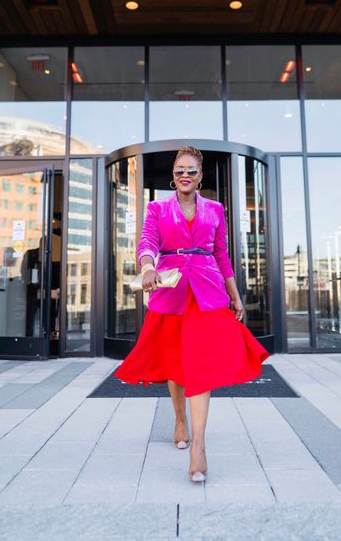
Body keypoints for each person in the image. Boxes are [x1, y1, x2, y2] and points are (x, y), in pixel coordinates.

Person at [113, 147, 270, 483]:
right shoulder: (157, 209)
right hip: (170, 290)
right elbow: (146, 243)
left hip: (208, 292)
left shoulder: (215, 210)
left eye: (192, 171)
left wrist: (235, 294)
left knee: (200, 365)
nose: (186, 176)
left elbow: (222, 255)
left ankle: (198, 445)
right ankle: (180, 419)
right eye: (180, 170)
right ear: (174, 175)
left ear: (201, 176)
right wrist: (148, 267)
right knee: (176, 363)